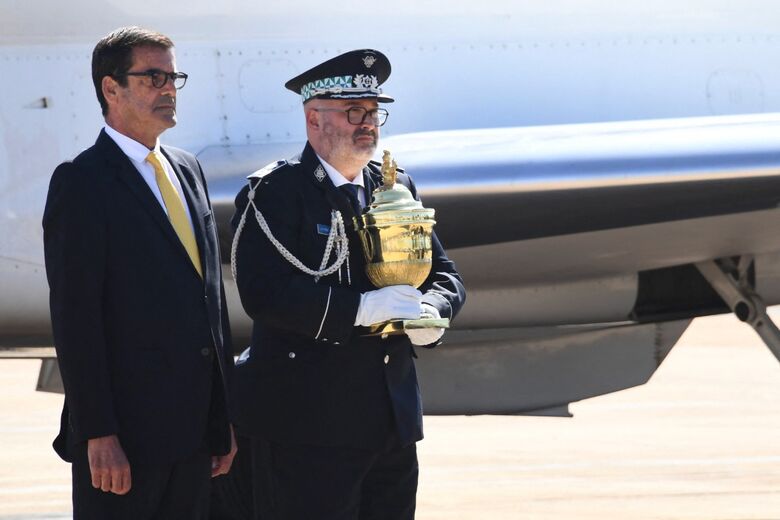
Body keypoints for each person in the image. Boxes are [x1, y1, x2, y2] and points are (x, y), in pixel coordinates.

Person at [229, 49, 466, 520]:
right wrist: (360, 310)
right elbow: (264, 293)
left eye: (374, 112)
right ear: (314, 119)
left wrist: (434, 313)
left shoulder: (394, 187)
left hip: (389, 421)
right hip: (310, 425)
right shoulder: (276, 193)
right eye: (353, 111)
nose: (368, 123)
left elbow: (444, 272)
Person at [42, 26, 236, 519]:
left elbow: (208, 304)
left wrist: (223, 419)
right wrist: (97, 432)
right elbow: (75, 320)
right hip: (125, 444)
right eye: (153, 77)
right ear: (111, 89)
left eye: (174, 78)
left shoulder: (187, 169)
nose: (169, 89)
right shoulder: (82, 182)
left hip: (193, 438)